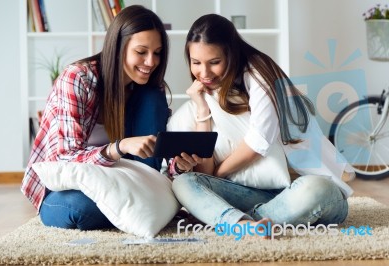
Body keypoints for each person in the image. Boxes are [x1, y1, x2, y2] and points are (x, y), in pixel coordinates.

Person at [167, 14, 355, 237]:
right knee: (184, 183)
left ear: (231, 54)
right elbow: (203, 173)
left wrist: (218, 175)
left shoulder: (258, 72)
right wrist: (201, 110)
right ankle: (244, 224)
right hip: (255, 195)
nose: (204, 73)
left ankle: (229, 220)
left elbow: (259, 142)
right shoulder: (205, 96)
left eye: (214, 62)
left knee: (316, 190)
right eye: (196, 63)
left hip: (297, 191)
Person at [21, 5, 171, 230]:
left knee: (152, 96)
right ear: (118, 47)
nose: (151, 62)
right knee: (79, 209)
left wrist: (178, 165)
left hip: (124, 180)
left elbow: (154, 160)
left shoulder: (148, 91)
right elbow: (65, 158)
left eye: (157, 52)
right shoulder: (78, 79)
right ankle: (142, 206)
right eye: (141, 52)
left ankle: (141, 204)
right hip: (69, 185)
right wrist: (119, 147)